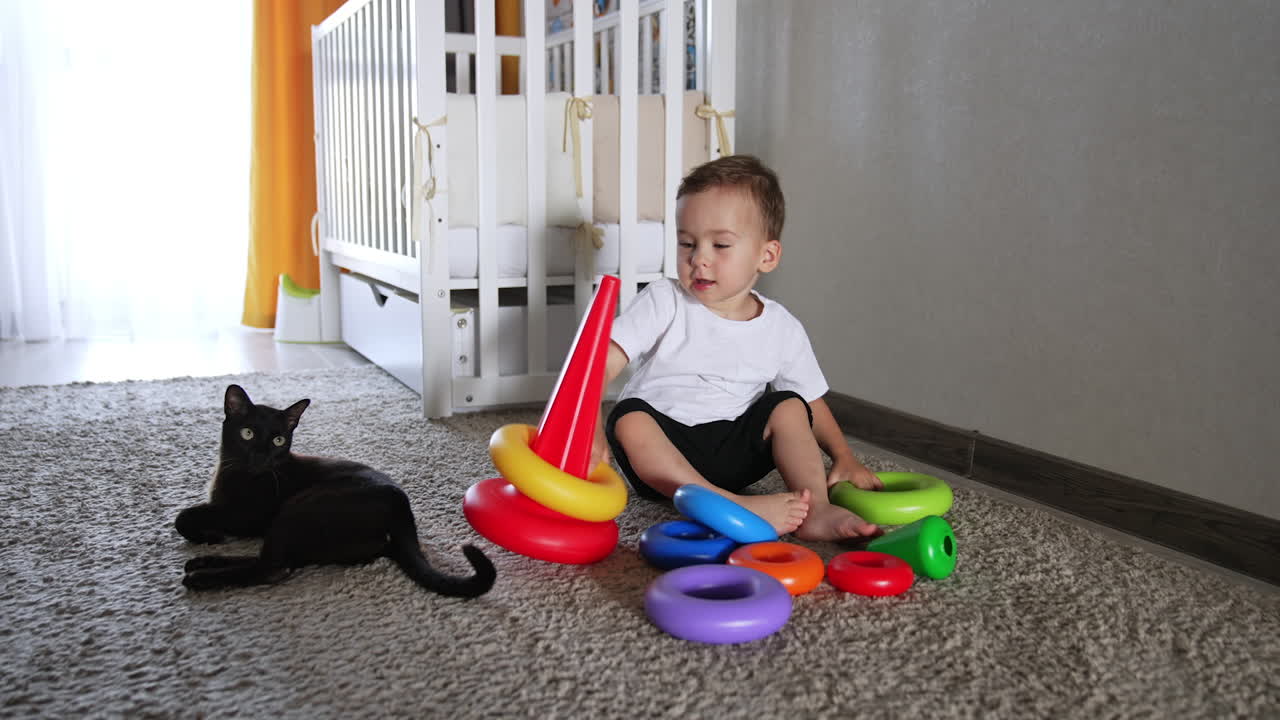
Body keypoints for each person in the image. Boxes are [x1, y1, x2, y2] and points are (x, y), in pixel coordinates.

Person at [590, 155, 883, 542]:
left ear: (767, 255)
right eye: (686, 243)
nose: (699, 259)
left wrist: (844, 457)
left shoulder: (781, 327)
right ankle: (718, 501)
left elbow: (812, 401)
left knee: (789, 404)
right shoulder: (664, 300)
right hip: (664, 454)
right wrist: (590, 430)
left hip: (735, 451)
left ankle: (818, 509)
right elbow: (597, 368)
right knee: (628, 417)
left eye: (720, 244)